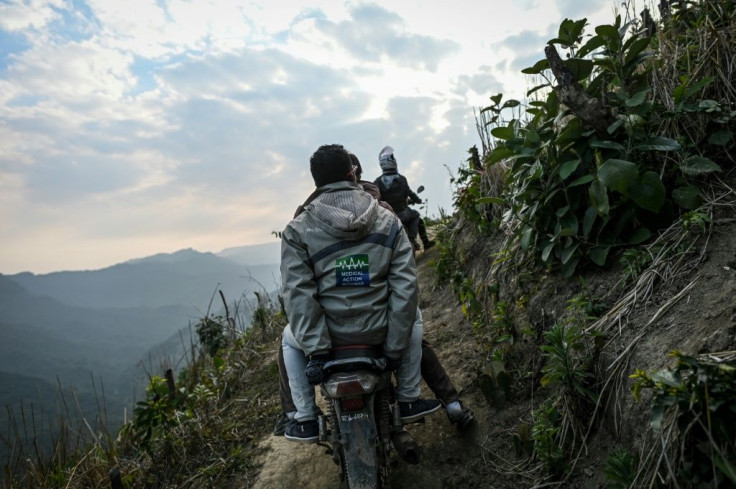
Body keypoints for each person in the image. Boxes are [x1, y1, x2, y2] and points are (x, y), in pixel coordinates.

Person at [273, 154, 474, 437]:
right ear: (354, 174)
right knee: (412, 323)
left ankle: (301, 416)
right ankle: (431, 401)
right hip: (379, 327)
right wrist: (393, 345)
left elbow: (297, 292)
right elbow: (405, 286)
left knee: (288, 340)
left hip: (329, 337)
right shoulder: (385, 214)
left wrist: (317, 351)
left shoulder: (300, 223)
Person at [373, 146, 435, 252]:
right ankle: (420, 241)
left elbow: (377, 201)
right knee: (416, 216)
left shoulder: (377, 182)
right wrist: (418, 200)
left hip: (388, 216)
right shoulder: (401, 179)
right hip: (403, 213)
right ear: (393, 162)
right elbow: (410, 193)